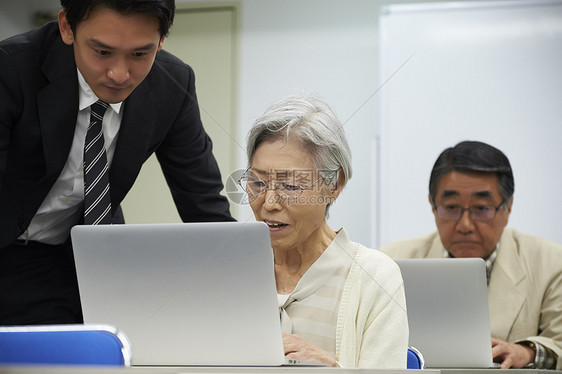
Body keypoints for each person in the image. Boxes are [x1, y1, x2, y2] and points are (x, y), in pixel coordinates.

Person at [0, 0, 233, 326]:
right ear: (67, 27)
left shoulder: (171, 85)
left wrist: (247, 291)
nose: (120, 74)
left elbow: (204, 203)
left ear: (161, 40)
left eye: (140, 54)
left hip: (78, 255)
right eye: (102, 52)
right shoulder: (11, 67)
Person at [239, 94, 408, 368]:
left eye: (290, 186)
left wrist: (330, 369)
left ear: (333, 184)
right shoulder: (232, 272)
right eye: (258, 183)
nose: (268, 203)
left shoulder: (374, 277)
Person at [380, 141, 562, 370]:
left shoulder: (552, 263)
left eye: (481, 209)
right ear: (432, 204)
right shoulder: (388, 262)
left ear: (508, 208)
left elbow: (559, 342)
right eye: (451, 207)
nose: (465, 225)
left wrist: (527, 352)